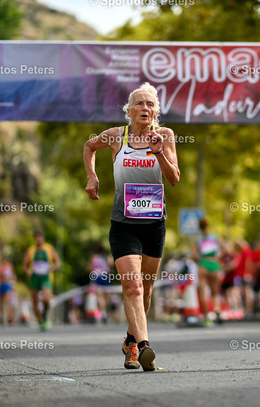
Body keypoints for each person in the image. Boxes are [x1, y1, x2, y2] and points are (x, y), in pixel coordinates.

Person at [84, 82, 180, 371]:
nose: (145, 108)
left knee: (146, 290)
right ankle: (144, 346)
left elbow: (174, 178)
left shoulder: (165, 136)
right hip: (124, 224)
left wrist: (159, 152)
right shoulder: (116, 136)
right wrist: (92, 176)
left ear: (156, 112)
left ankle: (130, 341)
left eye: (150, 104)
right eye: (139, 103)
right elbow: (89, 146)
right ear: (129, 111)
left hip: (154, 224)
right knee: (133, 286)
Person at [22, 230, 61, 331]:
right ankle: (40, 321)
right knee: (35, 301)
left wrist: (53, 267)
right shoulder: (31, 250)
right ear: (34, 239)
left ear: (43, 238)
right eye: (36, 238)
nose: (38, 240)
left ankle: (44, 315)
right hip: (35, 277)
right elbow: (24, 265)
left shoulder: (49, 248)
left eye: (40, 237)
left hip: (46, 277)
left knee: (46, 299)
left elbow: (57, 261)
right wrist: (27, 271)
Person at [191, 218, 223, 326]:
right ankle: (217, 310)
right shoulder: (215, 237)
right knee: (214, 293)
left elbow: (194, 256)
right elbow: (227, 250)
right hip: (214, 264)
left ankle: (207, 318)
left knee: (203, 293)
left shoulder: (196, 239)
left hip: (203, 264)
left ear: (199, 227)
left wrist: (200, 261)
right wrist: (218, 259)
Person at [88, 245, 114, 324]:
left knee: (100, 296)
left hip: (97, 277)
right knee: (105, 297)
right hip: (104, 277)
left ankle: (103, 312)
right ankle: (103, 313)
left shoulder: (94, 257)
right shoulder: (106, 257)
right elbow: (112, 264)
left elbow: (90, 268)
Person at [0, 256, 16, 326]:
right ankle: (1, 317)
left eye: (5, 260)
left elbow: (13, 276)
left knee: (7, 302)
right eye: (3, 260)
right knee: (1, 303)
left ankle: (9, 317)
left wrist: (13, 285)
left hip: (7, 285)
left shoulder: (9, 266)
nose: (4, 261)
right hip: (1, 284)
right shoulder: (0, 267)